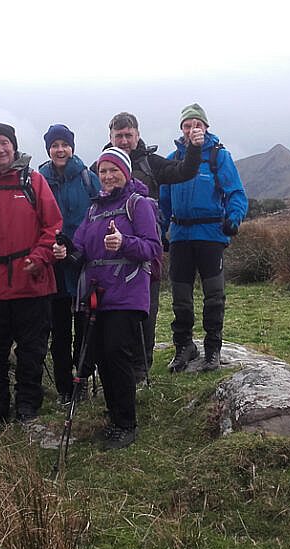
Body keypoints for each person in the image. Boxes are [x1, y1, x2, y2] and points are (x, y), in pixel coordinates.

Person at [53, 147, 160, 449]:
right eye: (103, 171)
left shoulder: (138, 205)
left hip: (127, 292)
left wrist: (124, 243)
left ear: (125, 172)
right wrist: (64, 252)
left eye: (114, 170)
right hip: (97, 293)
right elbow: (80, 252)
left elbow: (152, 248)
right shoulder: (94, 209)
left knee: (116, 353)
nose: (108, 176)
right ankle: (115, 416)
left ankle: (126, 424)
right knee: (100, 355)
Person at [0, 123, 62, 424]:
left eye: (4, 143)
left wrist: (41, 256)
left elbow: (53, 226)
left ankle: (27, 404)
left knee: (31, 350)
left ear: (14, 146)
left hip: (31, 281)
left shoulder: (33, 181)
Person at [99, 112, 203, 382]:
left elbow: (185, 171)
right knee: (113, 314)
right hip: (110, 256)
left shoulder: (151, 163)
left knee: (146, 312)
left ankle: (141, 371)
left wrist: (193, 148)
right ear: (110, 137)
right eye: (118, 136)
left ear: (137, 135)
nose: (123, 141)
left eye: (128, 135)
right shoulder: (99, 168)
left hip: (146, 253)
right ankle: (116, 370)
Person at [159, 104, 248, 372]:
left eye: (197, 124)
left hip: (210, 234)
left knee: (214, 296)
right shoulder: (173, 158)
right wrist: (160, 229)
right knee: (180, 297)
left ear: (206, 128)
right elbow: (163, 200)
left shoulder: (219, 156)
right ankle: (184, 346)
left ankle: (213, 350)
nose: (192, 129)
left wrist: (233, 219)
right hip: (180, 236)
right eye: (187, 125)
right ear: (182, 130)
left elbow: (236, 193)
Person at [38, 124, 100, 405]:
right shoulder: (39, 179)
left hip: (82, 266)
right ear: (48, 149)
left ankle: (82, 380)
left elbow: (99, 214)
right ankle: (65, 387)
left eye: (64, 144)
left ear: (72, 147)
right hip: (53, 267)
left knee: (85, 329)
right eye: (54, 145)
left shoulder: (88, 178)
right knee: (59, 332)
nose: (59, 149)